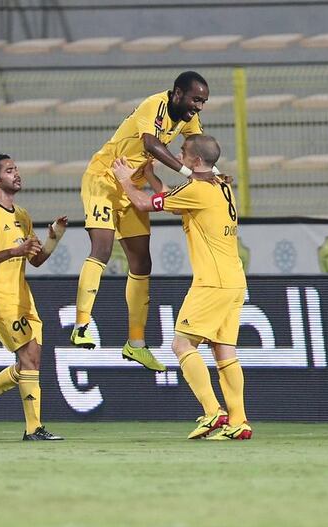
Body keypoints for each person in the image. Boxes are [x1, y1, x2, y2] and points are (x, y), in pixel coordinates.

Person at [71, 71, 218, 373]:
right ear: (178, 93)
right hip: (105, 177)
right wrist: (191, 175)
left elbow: (198, 147)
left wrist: (212, 171)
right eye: (196, 99)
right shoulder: (155, 105)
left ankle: (135, 344)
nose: (199, 106)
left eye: (203, 101)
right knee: (102, 246)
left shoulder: (187, 117)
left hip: (132, 185)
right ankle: (81, 324)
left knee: (141, 263)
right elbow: (151, 144)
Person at [112, 134, 252, 440]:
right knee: (224, 349)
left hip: (211, 282)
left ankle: (213, 412)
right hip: (234, 281)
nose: (179, 155)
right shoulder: (222, 187)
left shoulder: (198, 190)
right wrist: (150, 176)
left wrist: (125, 179)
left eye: (184, 152)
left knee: (182, 345)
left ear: (197, 161)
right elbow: (176, 202)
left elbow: (142, 203)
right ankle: (239, 421)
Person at [0, 154, 66, 441]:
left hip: (22, 295)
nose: (17, 174)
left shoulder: (22, 215)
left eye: (16, 169)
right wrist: (14, 252)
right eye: (9, 171)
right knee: (29, 358)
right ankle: (33, 429)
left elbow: (35, 260)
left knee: (30, 360)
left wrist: (54, 238)